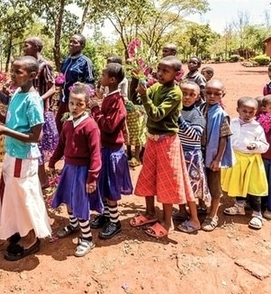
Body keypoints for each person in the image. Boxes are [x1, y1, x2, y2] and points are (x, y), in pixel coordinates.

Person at [129, 56, 200, 237]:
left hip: (167, 142)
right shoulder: (157, 87)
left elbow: (157, 114)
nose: (160, 73)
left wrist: (145, 95)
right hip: (152, 140)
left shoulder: (175, 93)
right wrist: (138, 81)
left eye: (165, 71)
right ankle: (150, 212)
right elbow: (137, 99)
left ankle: (167, 223)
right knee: (149, 176)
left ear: (176, 75)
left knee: (166, 181)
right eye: (159, 69)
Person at [0, 56, 51, 261]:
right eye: (13, 71)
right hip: (12, 153)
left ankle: (31, 238)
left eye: (18, 72)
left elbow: (36, 136)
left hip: (23, 158)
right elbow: (15, 121)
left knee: (24, 197)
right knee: (12, 195)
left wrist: (5, 131)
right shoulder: (17, 92)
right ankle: (18, 229)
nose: (13, 76)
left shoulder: (33, 100)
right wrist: (0, 120)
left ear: (32, 76)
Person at [49, 83, 103, 256]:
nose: (74, 107)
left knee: (80, 204)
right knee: (69, 200)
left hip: (83, 171)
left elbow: (95, 153)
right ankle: (73, 225)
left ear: (86, 104)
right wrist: (52, 160)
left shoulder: (90, 126)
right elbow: (62, 145)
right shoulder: (67, 124)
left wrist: (92, 177)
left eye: (79, 104)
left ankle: (87, 238)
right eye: (72, 103)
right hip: (69, 168)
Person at [89, 63, 133, 240]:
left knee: (111, 187)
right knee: (105, 185)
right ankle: (107, 215)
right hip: (106, 149)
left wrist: (95, 110)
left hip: (113, 152)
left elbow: (108, 126)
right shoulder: (110, 97)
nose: (101, 76)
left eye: (103, 74)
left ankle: (115, 222)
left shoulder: (117, 101)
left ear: (112, 79)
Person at [221, 97, 269, 230]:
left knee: (253, 187)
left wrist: (256, 145)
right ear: (238, 110)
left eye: (251, 112)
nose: (247, 115)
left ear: (256, 112)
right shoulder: (233, 123)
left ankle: (257, 214)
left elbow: (265, 145)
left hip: (251, 160)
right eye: (244, 111)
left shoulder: (257, 128)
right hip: (236, 159)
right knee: (238, 183)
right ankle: (239, 206)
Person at [172, 81, 211, 231]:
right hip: (178, 153)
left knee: (190, 189)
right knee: (179, 185)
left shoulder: (197, 114)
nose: (187, 97)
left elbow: (195, 135)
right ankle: (182, 211)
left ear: (197, 97)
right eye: (184, 93)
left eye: (191, 95)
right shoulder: (177, 110)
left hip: (191, 157)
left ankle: (195, 220)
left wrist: (179, 119)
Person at [22, 36, 58, 187]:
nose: (24, 48)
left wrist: (39, 99)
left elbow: (52, 88)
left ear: (36, 47)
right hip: (29, 109)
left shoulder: (44, 66)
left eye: (27, 45)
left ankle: (43, 181)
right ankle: (38, 178)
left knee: (39, 147)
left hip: (41, 111)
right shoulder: (27, 65)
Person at [200, 79, 234, 231]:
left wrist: (218, 159)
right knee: (199, 180)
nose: (212, 96)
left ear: (223, 95)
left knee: (214, 186)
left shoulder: (222, 115)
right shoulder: (200, 108)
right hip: (199, 154)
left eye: (216, 94)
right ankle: (200, 206)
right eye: (208, 93)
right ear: (203, 93)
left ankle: (212, 215)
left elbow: (224, 138)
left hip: (212, 156)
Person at [55, 34, 95, 132]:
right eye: (70, 41)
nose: (71, 44)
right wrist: (58, 81)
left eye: (75, 42)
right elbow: (62, 78)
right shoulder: (66, 60)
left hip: (76, 103)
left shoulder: (86, 62)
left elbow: (90, 84)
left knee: (73, 128)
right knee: (59, 126)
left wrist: (81, 86)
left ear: (82, 46)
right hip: (64, 101)